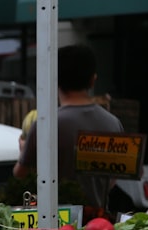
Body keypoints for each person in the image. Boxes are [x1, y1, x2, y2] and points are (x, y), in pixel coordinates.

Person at [13, 44, 123, 215]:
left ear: (55, 79)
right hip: (99, 224)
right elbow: (113, 180)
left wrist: (23, 151)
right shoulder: (113, 123)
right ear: (93, 80)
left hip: (53, 223)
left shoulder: (45, 124)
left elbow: (20, 175)